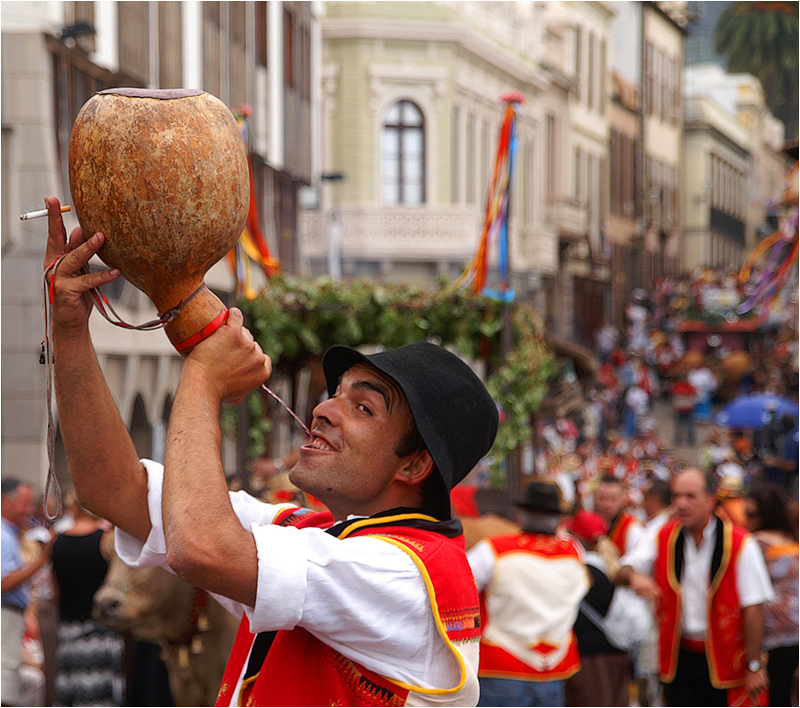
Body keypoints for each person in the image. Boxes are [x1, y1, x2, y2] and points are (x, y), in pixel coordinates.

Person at [43, 196, 499, 707]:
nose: (326, 409)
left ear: (414, 464)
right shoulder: (310, 534)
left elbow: (200, 548)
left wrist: (203, 376)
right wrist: (70, 327)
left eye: (365, 408)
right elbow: (112, 490)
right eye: (338, 392)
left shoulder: (403, 574)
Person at [617, 468, 774, 707]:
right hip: (679, 657)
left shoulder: (740, 543)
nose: (681, 503)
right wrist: (634, 578)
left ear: (710, 500)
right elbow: (624, 569)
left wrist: (754, 665)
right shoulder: (663, 535)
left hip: (725, 658)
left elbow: (753, 606)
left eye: (690, 496)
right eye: (676, 496)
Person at [467, 481, 589, 707]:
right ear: (558, 519)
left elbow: (460, 587)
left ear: (521, 514)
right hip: (552, 670)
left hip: (501, 667)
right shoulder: (573, 552)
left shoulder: (494, 549)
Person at [51, 491, 125, 706]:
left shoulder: (58, 541)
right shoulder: (106, 540)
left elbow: (55, 592)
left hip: (68, 632)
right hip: (100, 632)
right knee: (101, 697)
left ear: (73, 508)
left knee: (72, 695)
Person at [562, 511, 630, 707]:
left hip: (588, 659)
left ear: (578, 538)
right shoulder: (614, 569)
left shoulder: (581, 573)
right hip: (618, 654)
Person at [743, 483, 799, 708]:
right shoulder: (793, 540)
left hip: (769, 638)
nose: (746, 519)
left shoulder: (754, 545)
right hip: (794, 635)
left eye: (751, 514)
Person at [2, 479, 55, 707]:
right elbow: (4, 583)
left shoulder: (10, 534)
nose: (29, 510)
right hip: (6, 616)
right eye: (24, 504)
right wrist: (42, 560)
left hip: (11, 616)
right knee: (5, 683)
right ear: (5, 501)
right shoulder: (3, 536)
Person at [593, 475, 644, 557]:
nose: (607, 505)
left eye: (613, 499)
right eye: (602, 498)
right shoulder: (588, 522)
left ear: (622, 500)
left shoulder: (632, 529)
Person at [670, 376, 697, 446]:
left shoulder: (677, 387)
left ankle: (678, 440)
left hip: (679, 409)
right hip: (689, 409)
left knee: (679, 425)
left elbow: (673, 394)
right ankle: (691, 441)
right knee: (690, 426)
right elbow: (695, 393)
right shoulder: (690, 387)